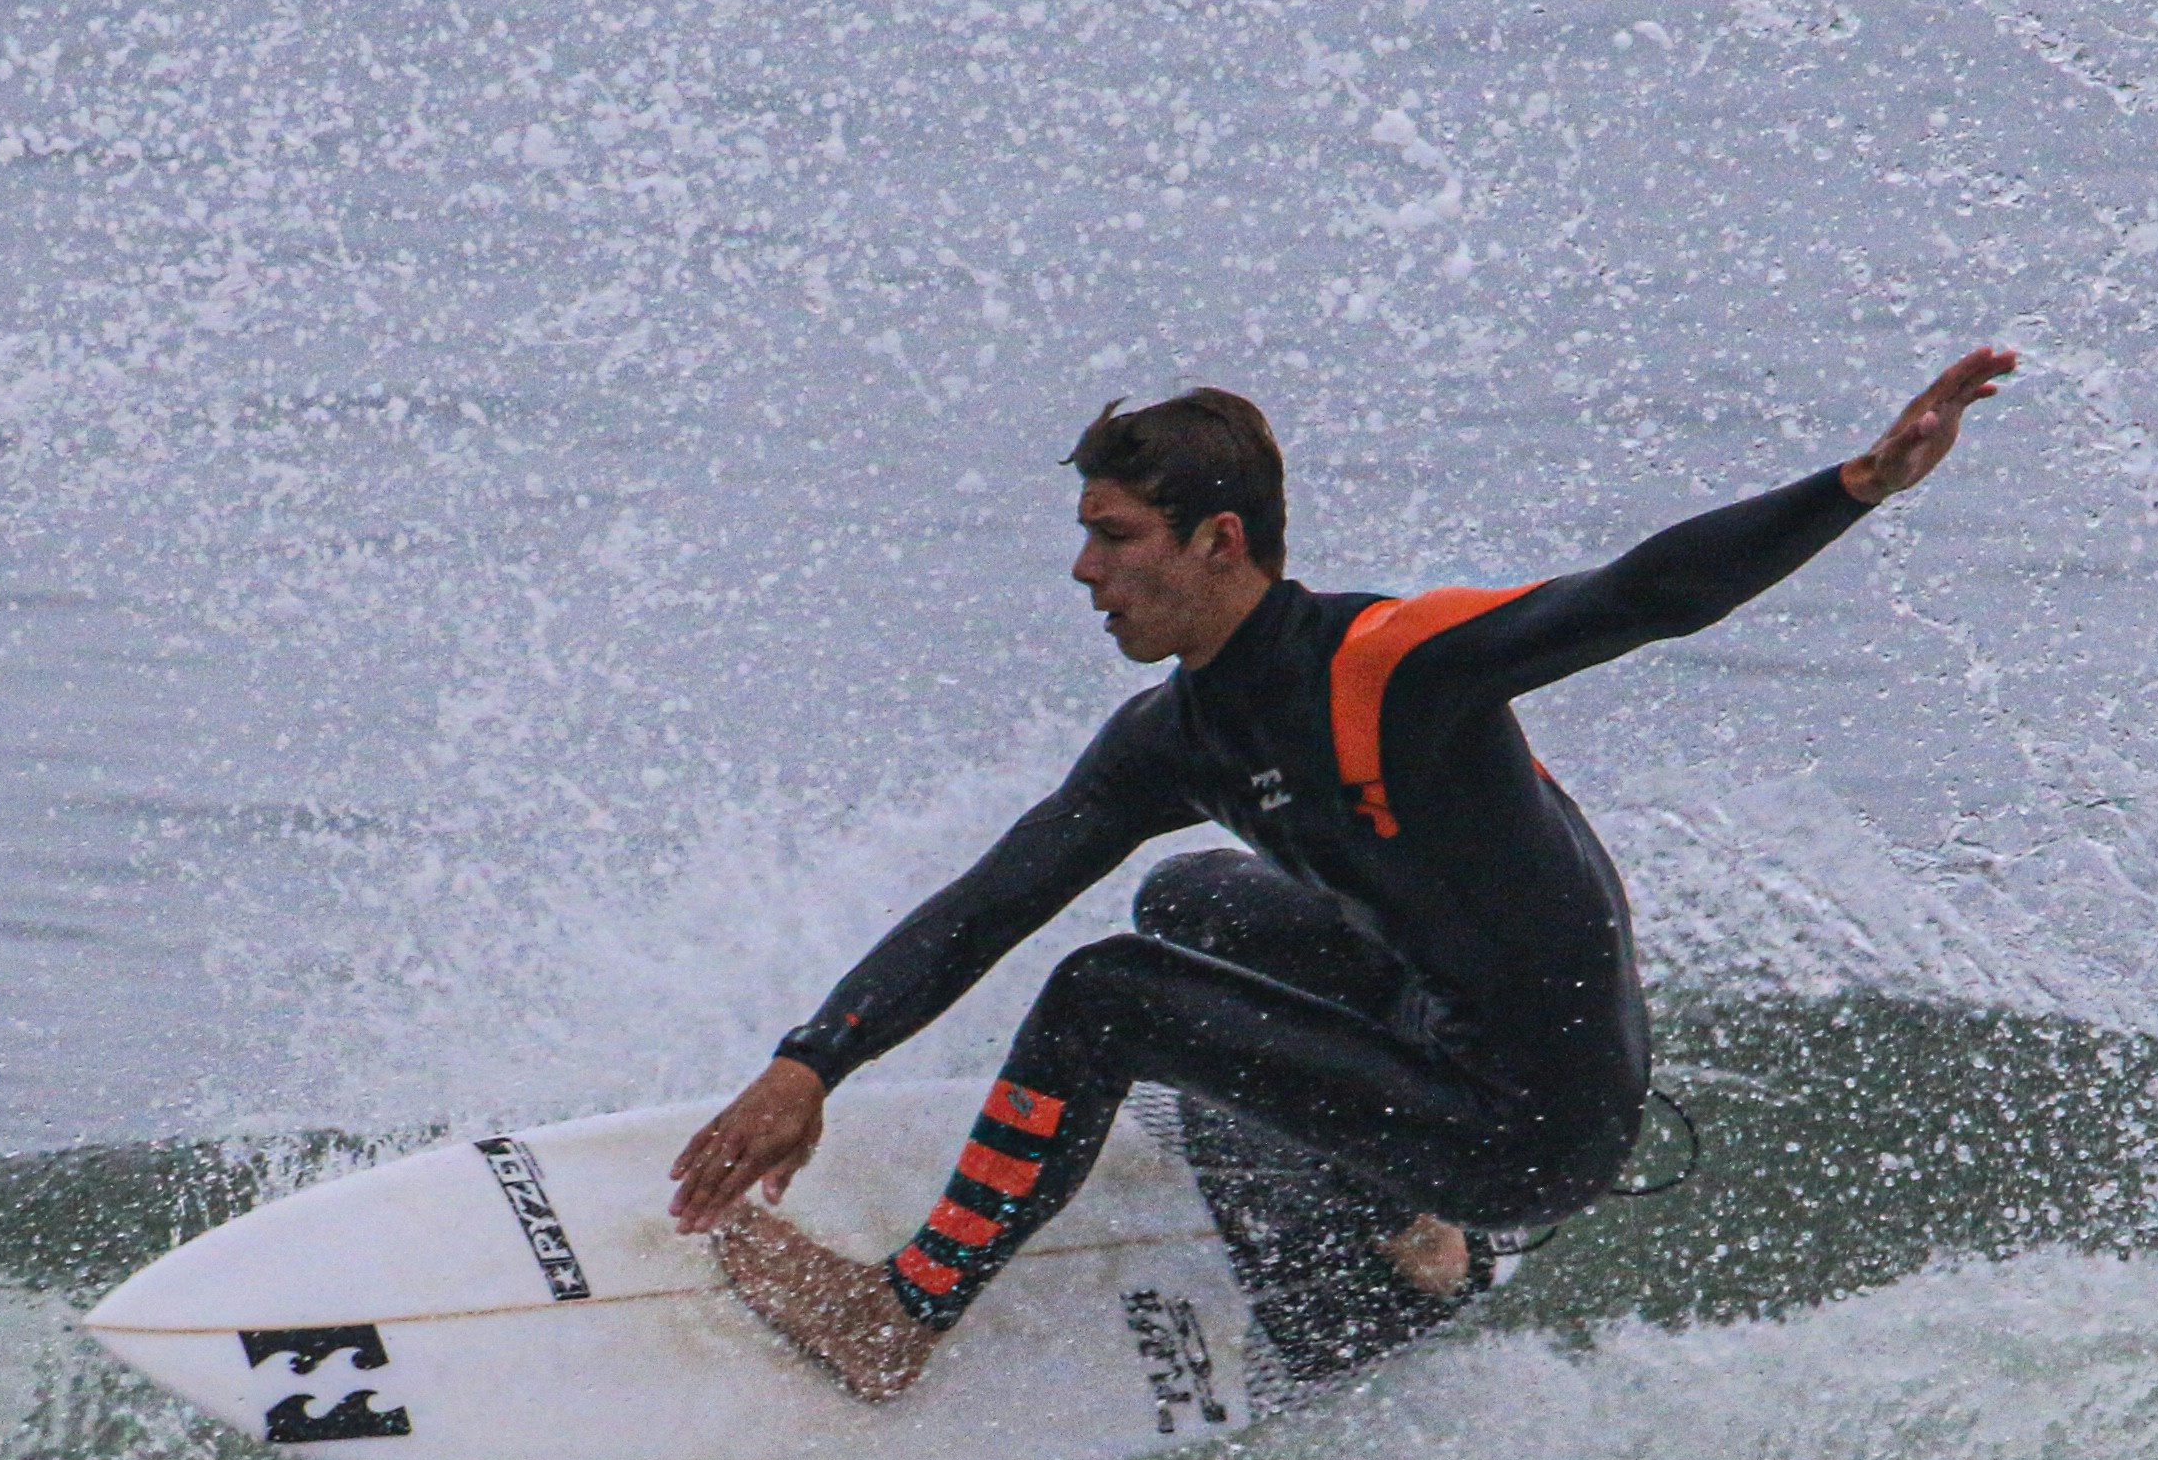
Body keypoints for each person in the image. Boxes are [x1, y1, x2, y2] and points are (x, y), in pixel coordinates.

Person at [668, 348, 2016, 1399]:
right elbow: (992, 897)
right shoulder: (1179, 736)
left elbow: (1639, 596)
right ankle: (1410, 1223)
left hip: (1532, 1121)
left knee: (1111, 994)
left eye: (1117, 536)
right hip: (1443, 1023)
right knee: (1186, 901)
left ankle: (902, 1316)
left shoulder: (1395, 663)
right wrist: (810, 1063)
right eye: (1086, 535)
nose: (1086, 570)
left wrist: (1856, 487)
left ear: (1220, 542)